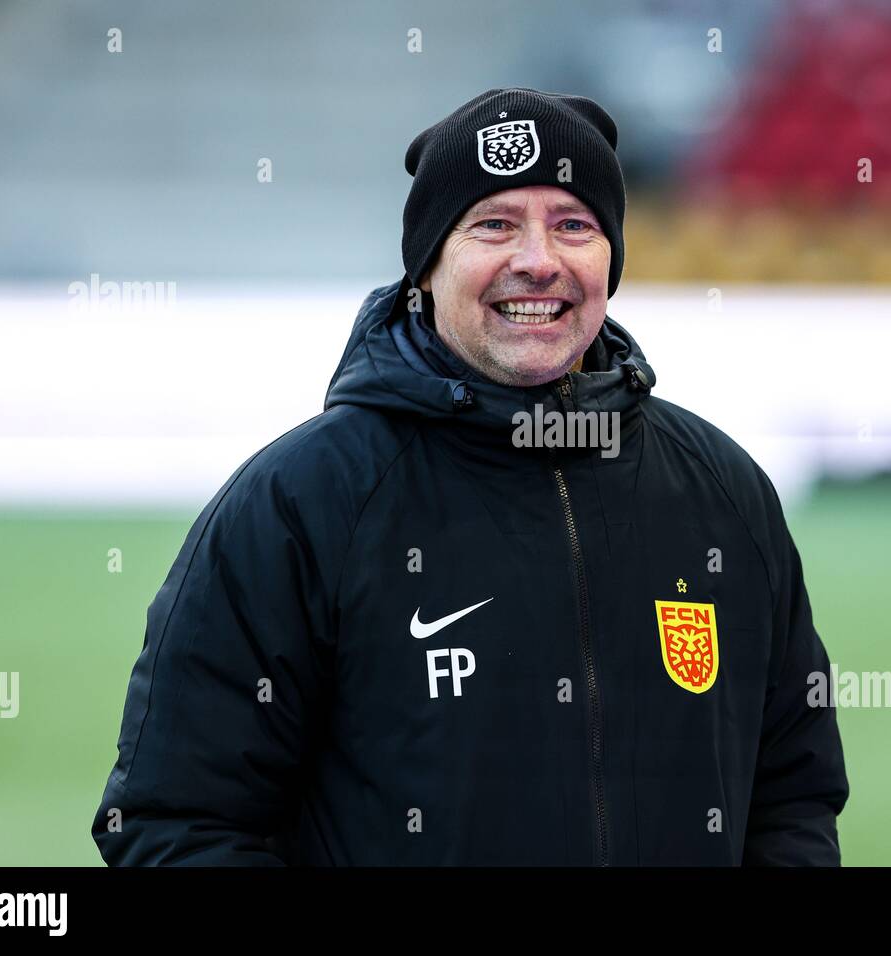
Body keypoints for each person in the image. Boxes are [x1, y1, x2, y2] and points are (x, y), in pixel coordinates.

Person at [91, 87, 849, 866]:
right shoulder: (300, 503)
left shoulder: (722, 493)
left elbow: (793, 797)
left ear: (610, 261)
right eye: (493, 225)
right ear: (425, 267)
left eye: (573, 226)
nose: (537, 261)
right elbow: (170, 823)